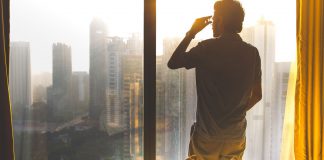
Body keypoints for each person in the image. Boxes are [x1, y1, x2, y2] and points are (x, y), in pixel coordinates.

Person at [167, 0, 262, 159]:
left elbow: (173, 63)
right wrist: (235, 111)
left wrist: (192, 32)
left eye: (214, 18)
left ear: (222, 20)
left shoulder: (206, 48)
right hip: (235, 136)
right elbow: (257, 95)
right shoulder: (252, 53)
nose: (211, 24)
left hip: (207, 137)